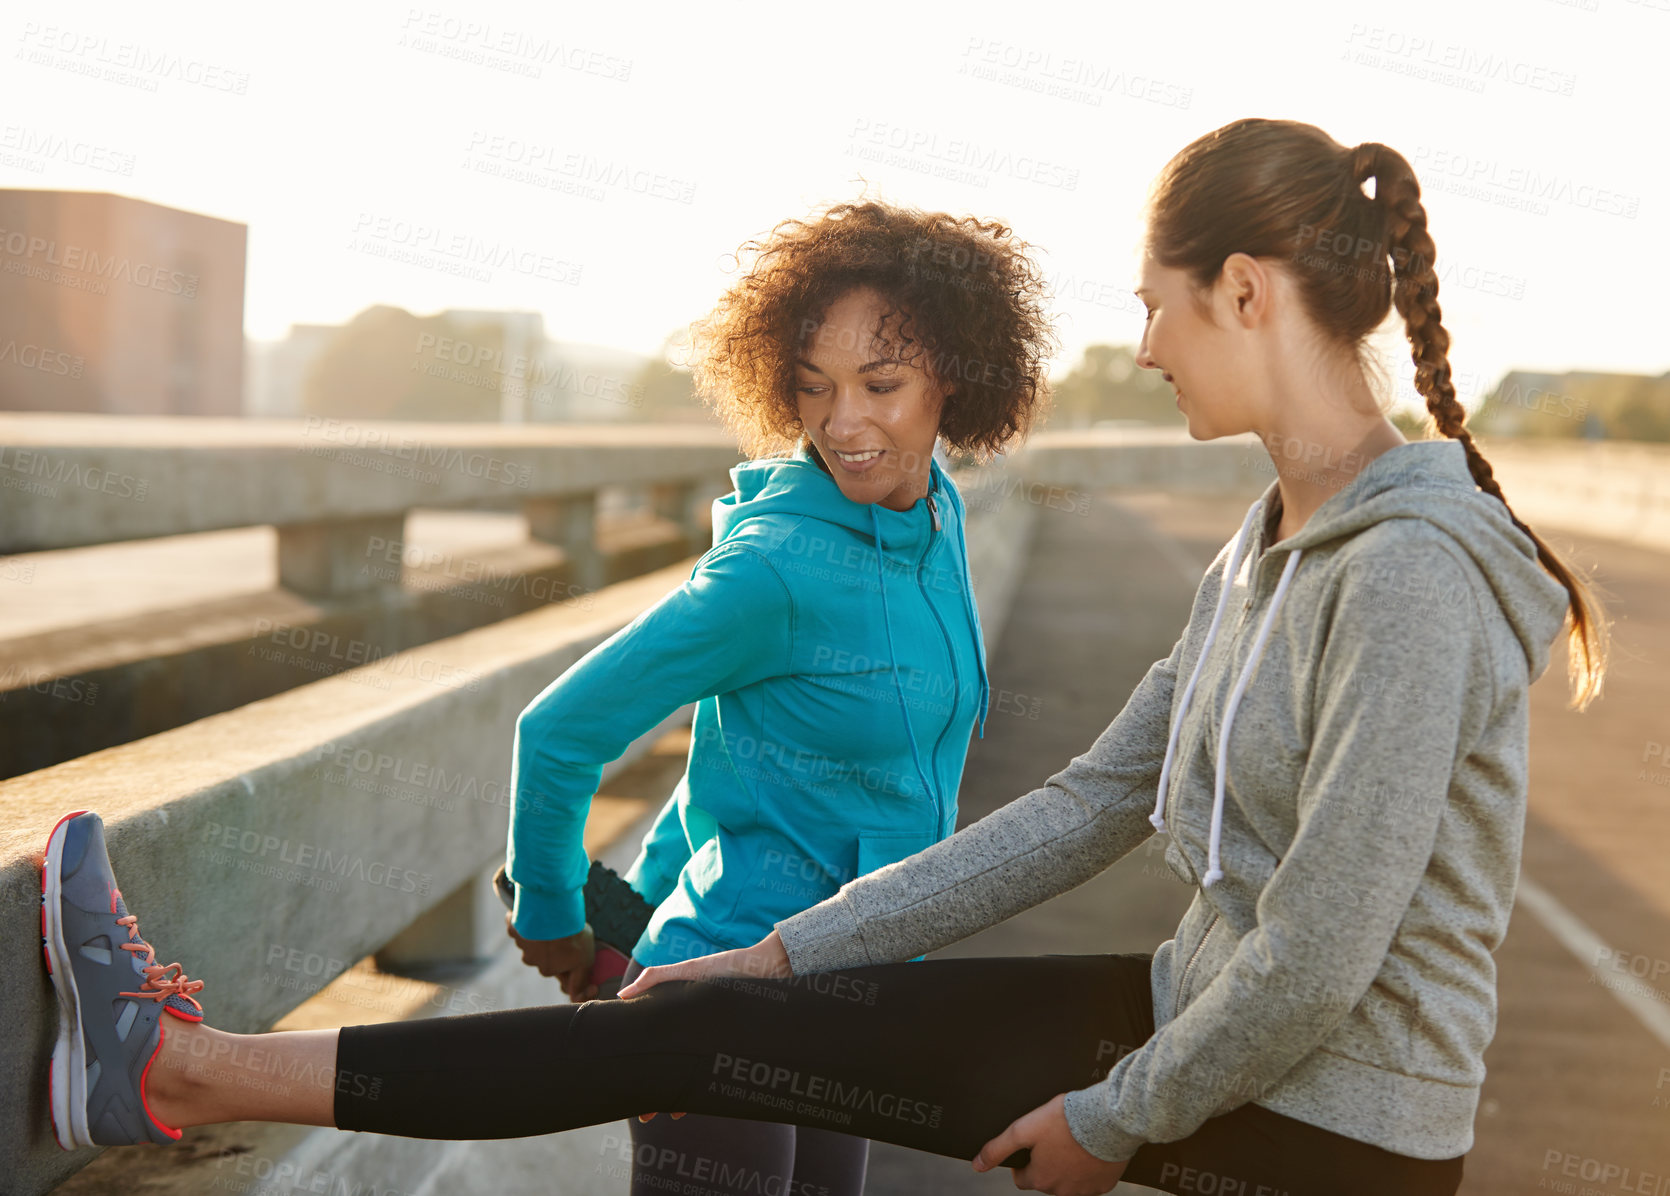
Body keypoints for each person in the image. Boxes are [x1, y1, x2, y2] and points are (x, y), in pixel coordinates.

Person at [37, 119, 1610, 1196]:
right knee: (696, 1017)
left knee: (686, 1032)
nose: (1138, 344)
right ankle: (176, 1063)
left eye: (1155, 305)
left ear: (1244, 292)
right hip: (1205, 1024)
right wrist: (783, 957)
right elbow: (1085, 802)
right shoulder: (1262, 545)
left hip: (1329, 1123)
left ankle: (174, 1060)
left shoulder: (1401, 576)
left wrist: (1112, 1122)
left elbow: (1323, 954)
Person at [38, 199, 1056, 1196]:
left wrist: (641, 895)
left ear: (953, 375)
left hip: (859, 980)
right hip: (721, 995)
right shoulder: (772, 566)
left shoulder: (936, 516)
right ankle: (150, 1058)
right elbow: (559, 729)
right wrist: (558, 916)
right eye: (812, 385)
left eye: (880, 383)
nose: (843, 422)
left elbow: (727, 754)